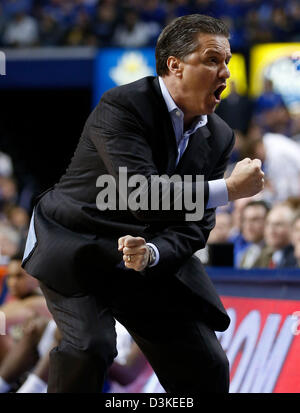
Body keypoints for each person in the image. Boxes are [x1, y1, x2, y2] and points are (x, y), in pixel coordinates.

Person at [22, 14, 264, 393]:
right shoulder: (124, 104)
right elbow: (141, 195)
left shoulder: (218, 135)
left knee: (205, 364)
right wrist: (227, 190)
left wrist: (152, 252)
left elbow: (194, 227)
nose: (225, 73)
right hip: (76, 243)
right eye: (213, 60)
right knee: (90, 346)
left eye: (228, 62)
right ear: (176, 66)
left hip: (140, 256)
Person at [254, 203, 297, 268]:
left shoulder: (296, 257)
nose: (271, 230)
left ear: (291, 228)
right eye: (268, 224)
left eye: (278, 224)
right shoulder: (264, 255)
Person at [239, 200, 270, 269]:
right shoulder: (247, 252)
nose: (248, 225)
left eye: (255, 219)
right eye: (245, 220)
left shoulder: (273, 253)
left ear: (267, 221)